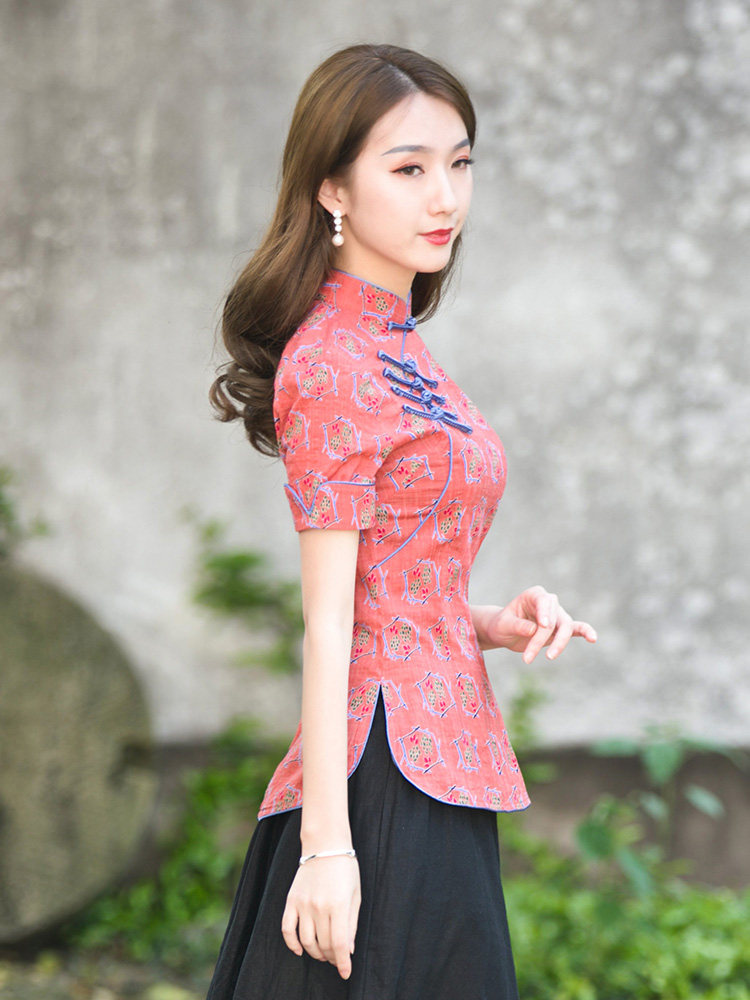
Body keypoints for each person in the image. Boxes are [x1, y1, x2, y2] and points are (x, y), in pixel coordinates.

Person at [205, 42, 597, 1000]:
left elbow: (391, 588)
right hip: (377, 776)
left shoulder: (399, 343)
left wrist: (490, 622)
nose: (445, 198)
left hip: (445, 755)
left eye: (460, 163)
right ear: (333, 188)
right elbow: (329, 620)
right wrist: (326, 850)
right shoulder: (332, 360)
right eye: (410, 168)